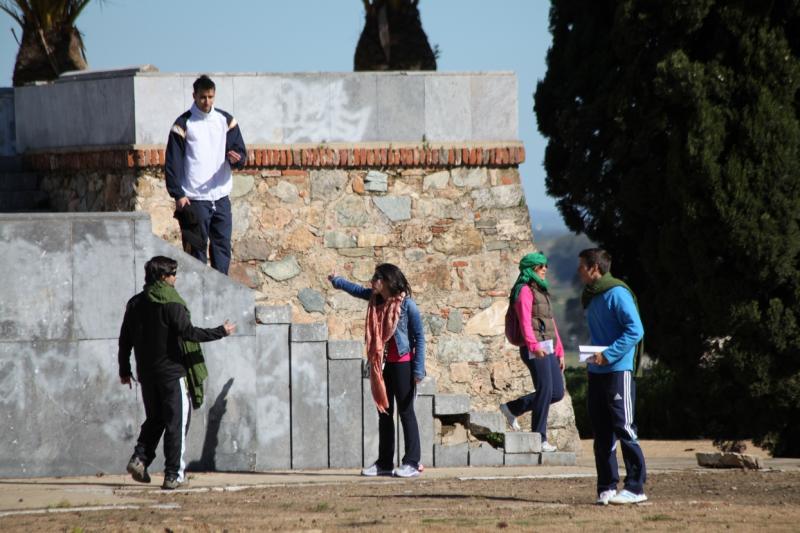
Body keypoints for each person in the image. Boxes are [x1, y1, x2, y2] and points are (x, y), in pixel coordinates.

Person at [118, 256, 236, 490]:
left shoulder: (135, 303)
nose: (175, 278)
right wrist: (220, 331)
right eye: (172, 274)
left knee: (156, 419)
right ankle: (174, 474)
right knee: (176, 424)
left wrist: (125, 369)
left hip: (147, 375)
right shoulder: (171, 303)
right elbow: (189, 333)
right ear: (163, 277)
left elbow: (125, 340)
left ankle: (140, 458)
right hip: (172, 374)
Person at [328, 264, 425, 478]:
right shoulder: (375, 300)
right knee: (384, 413)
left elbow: (419, 336)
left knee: (406, 412)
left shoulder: (407, 305)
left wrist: (418, 370)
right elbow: (355, 290)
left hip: (403, 364)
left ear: (388, 280)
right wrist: (337, 281)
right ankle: (384, 463)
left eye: (377, 277)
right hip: (382, 365)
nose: (373, 281)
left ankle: (411, 462)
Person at [577, 248, 647, 505]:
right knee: (602, 432)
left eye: (581, 266)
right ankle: (606, 486)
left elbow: (635, 330)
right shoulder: (591, 296)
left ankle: (636, 487)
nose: (578, 271)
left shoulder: (617, 293)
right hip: (596, 373)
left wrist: (608, 355)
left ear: (594, 267)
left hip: (618, 371)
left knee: (624, 426)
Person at [165, 75, 247, 275]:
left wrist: (238, 159)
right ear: (194, 96)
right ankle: (197, 296)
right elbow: (173, 162)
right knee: (195, 252)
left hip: (220, 197)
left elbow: (240, 151)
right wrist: (178, 194)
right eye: (203, 97)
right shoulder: (183, 124)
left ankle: (220, 295)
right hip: (194, 199)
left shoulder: (226, 121)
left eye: (210, 97)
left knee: (222, 248)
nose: (207, 101)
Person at [498, 252, 565, 453]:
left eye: (545, 265)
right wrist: (533, 345)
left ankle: (513, 408)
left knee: (557, 393)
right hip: (534, 348)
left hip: (549, 347)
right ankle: (540, 438)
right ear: (531, 269)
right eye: (540, 266)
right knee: (545, 390)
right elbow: (525, 322)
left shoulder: (541, 291)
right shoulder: (524, 291)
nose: (545, 269)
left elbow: (551, 322)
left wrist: (560, 350)